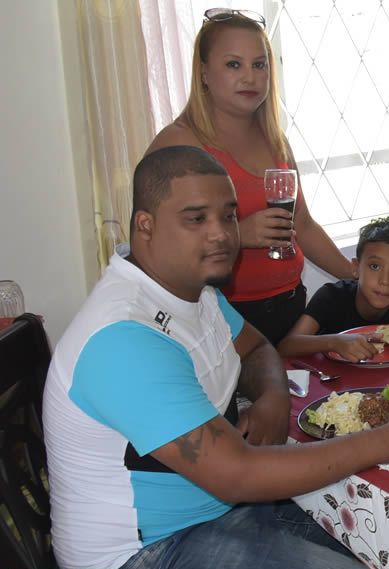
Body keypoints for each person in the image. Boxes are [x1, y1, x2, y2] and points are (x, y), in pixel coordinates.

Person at [43, 147, 389, 569]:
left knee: (382, 545)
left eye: (227, 214)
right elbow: (238, 475)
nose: (221, 233)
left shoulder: (192, 291)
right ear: (145, 225)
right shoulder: (124, 336)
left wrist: (270, 398)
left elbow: (258, 346)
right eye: (195, 218)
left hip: (208, 513)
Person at [146, 9, 352, 346]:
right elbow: (154, 245)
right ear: (203, 72)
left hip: (289, 306)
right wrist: (238, 234)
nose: (250, 77)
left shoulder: (275, 139)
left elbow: (302, 224)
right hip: (220, 315)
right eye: (233, 64)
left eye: (259, 65)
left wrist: (356, 275)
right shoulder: (178, 143)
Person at [278, 217, 389, 360]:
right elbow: (286, 347)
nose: (385, 280)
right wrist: (334, 342)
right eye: (375, 266)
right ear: (356, 268)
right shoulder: (331, 297)